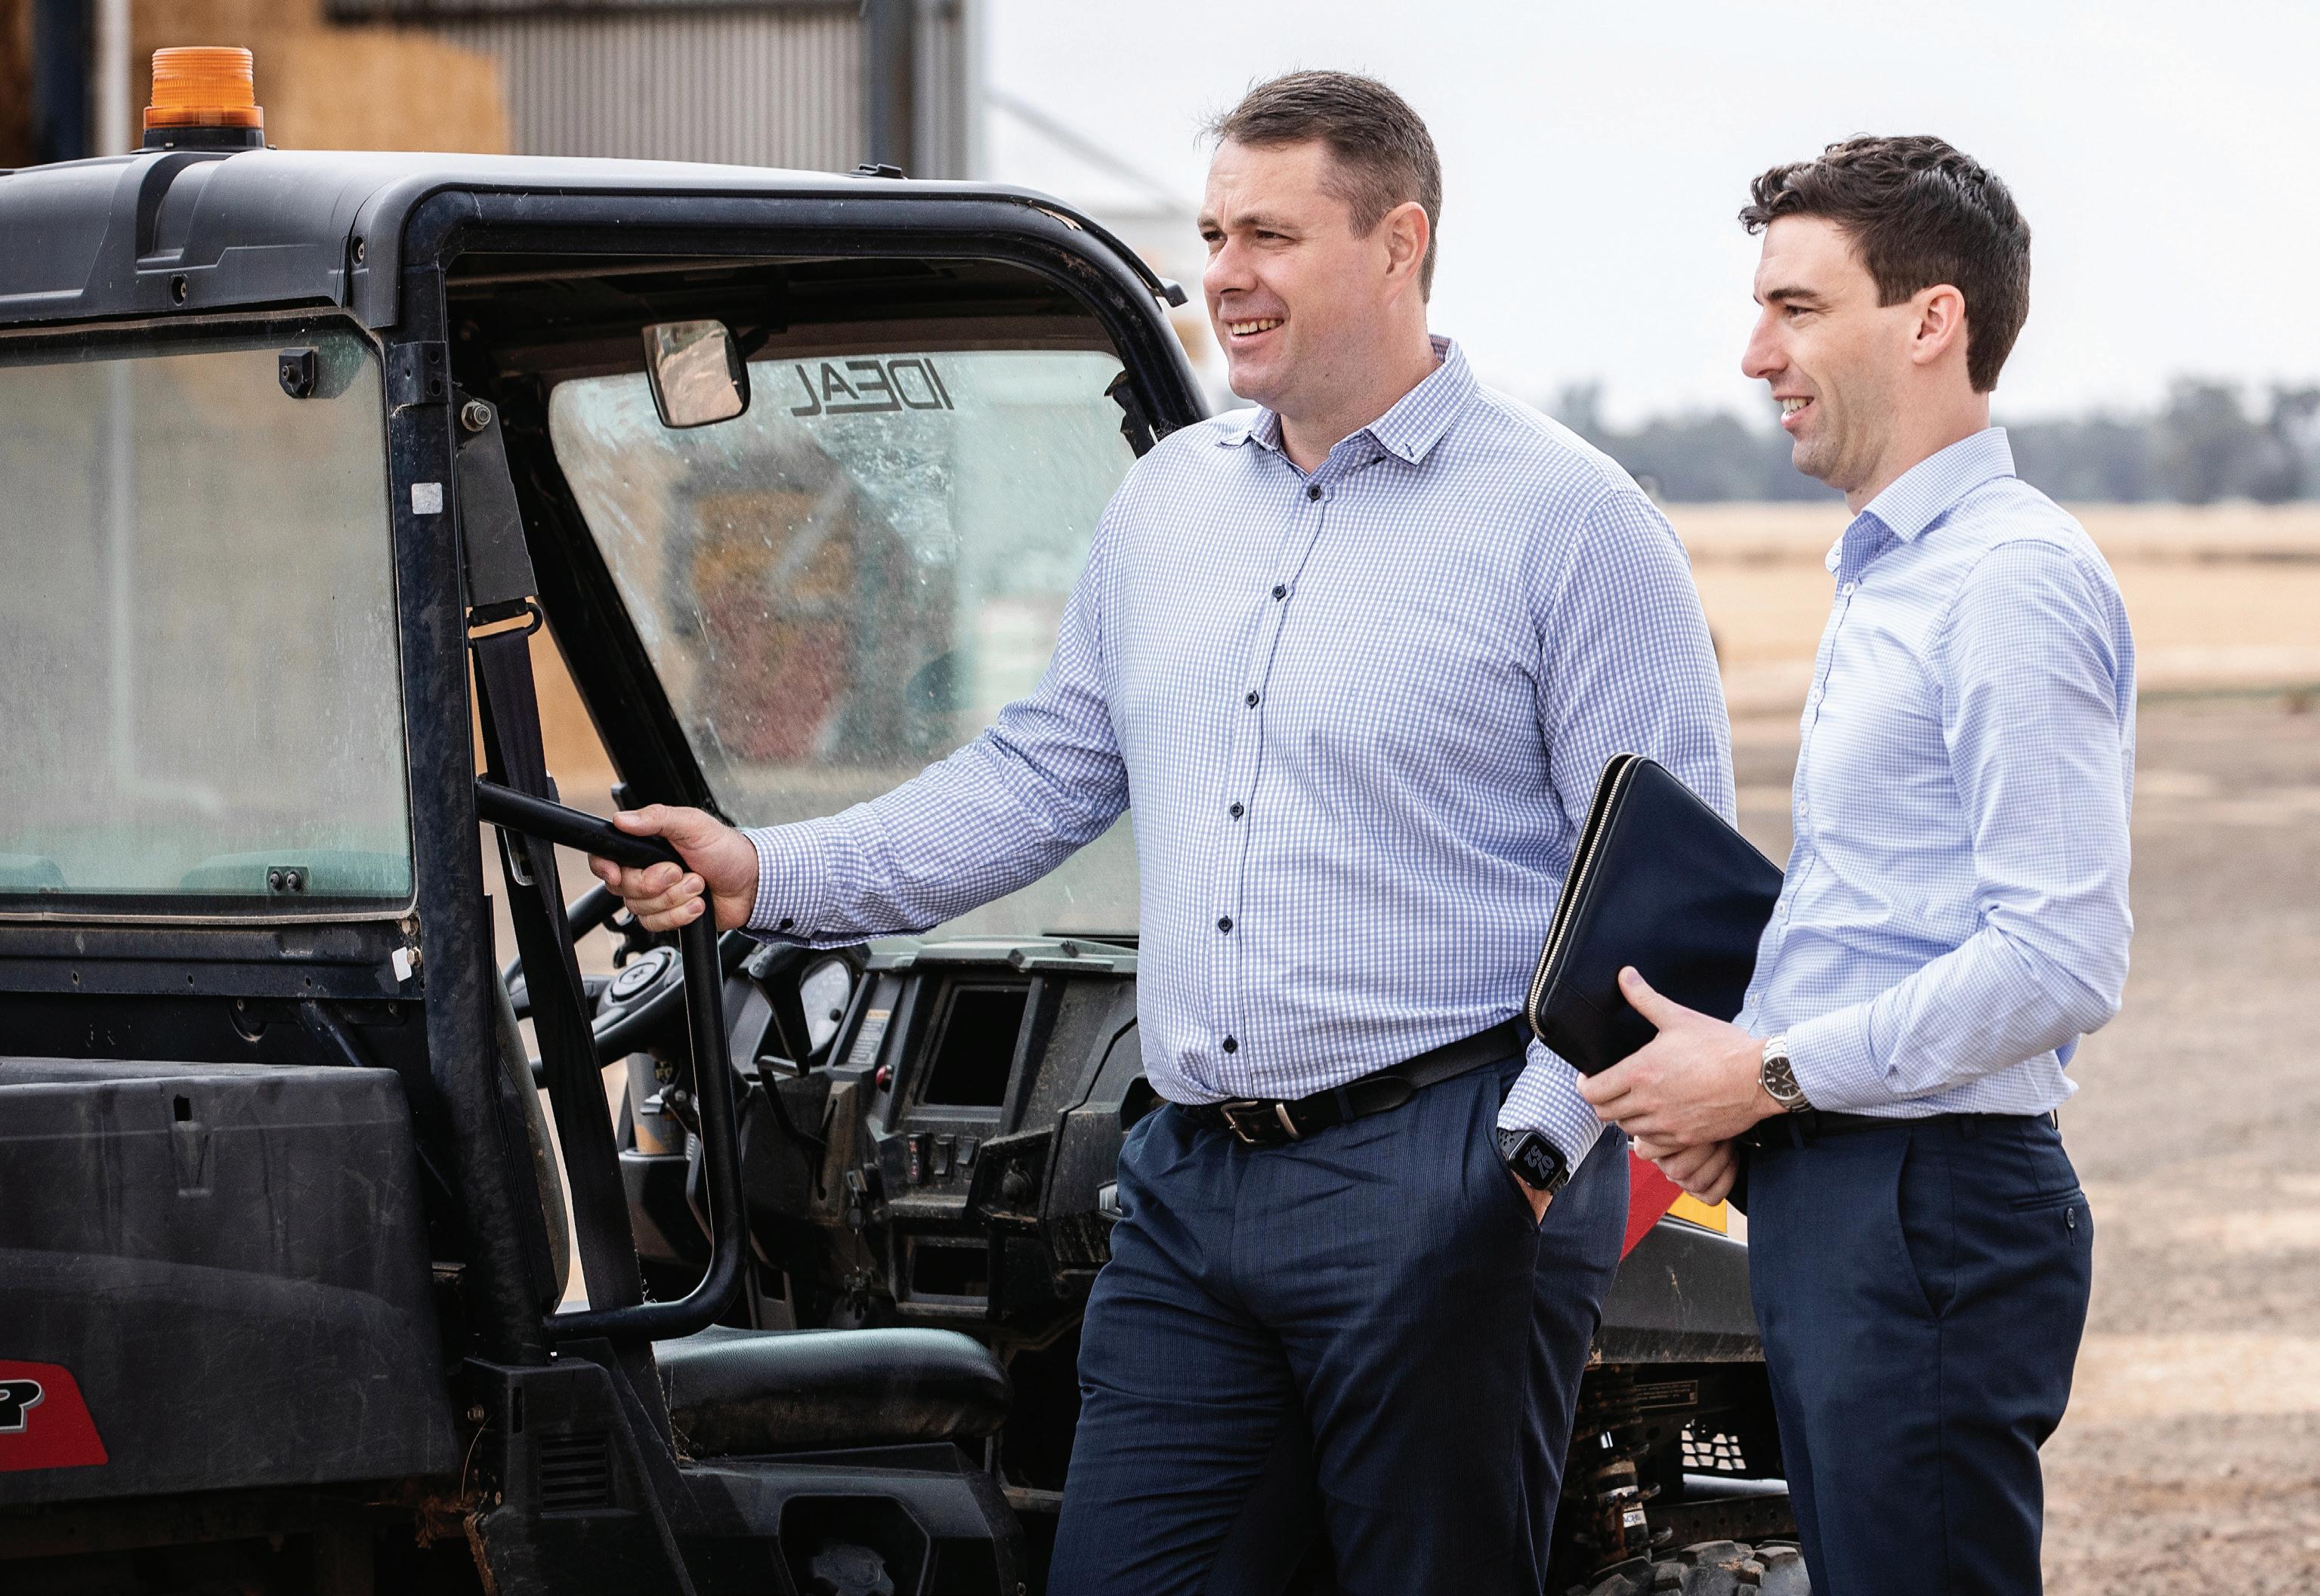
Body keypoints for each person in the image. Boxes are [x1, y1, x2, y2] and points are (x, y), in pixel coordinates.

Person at [588, 71, 1732, 1595]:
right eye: (1212, 234)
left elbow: (1665, 891)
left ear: (1399, 242)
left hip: (1444, 1169)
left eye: (1271, 235)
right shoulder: (1168, 504)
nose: (1226, 275)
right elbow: (1041, 775)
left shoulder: (1572, 523)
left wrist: (1527, 1154)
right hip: (1192, 1181)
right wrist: (766, 871)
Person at [1578, 137, 2133, 1595]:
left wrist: (1764, 1074)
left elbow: (2060, 956)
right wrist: (1747, 1097)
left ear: (1932, 319)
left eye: (1798, 308)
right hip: (1848, 1183)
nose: (1756, 352)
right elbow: (1886, 911)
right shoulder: (1890, 568)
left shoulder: (2007, 578)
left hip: (1924, 1203)